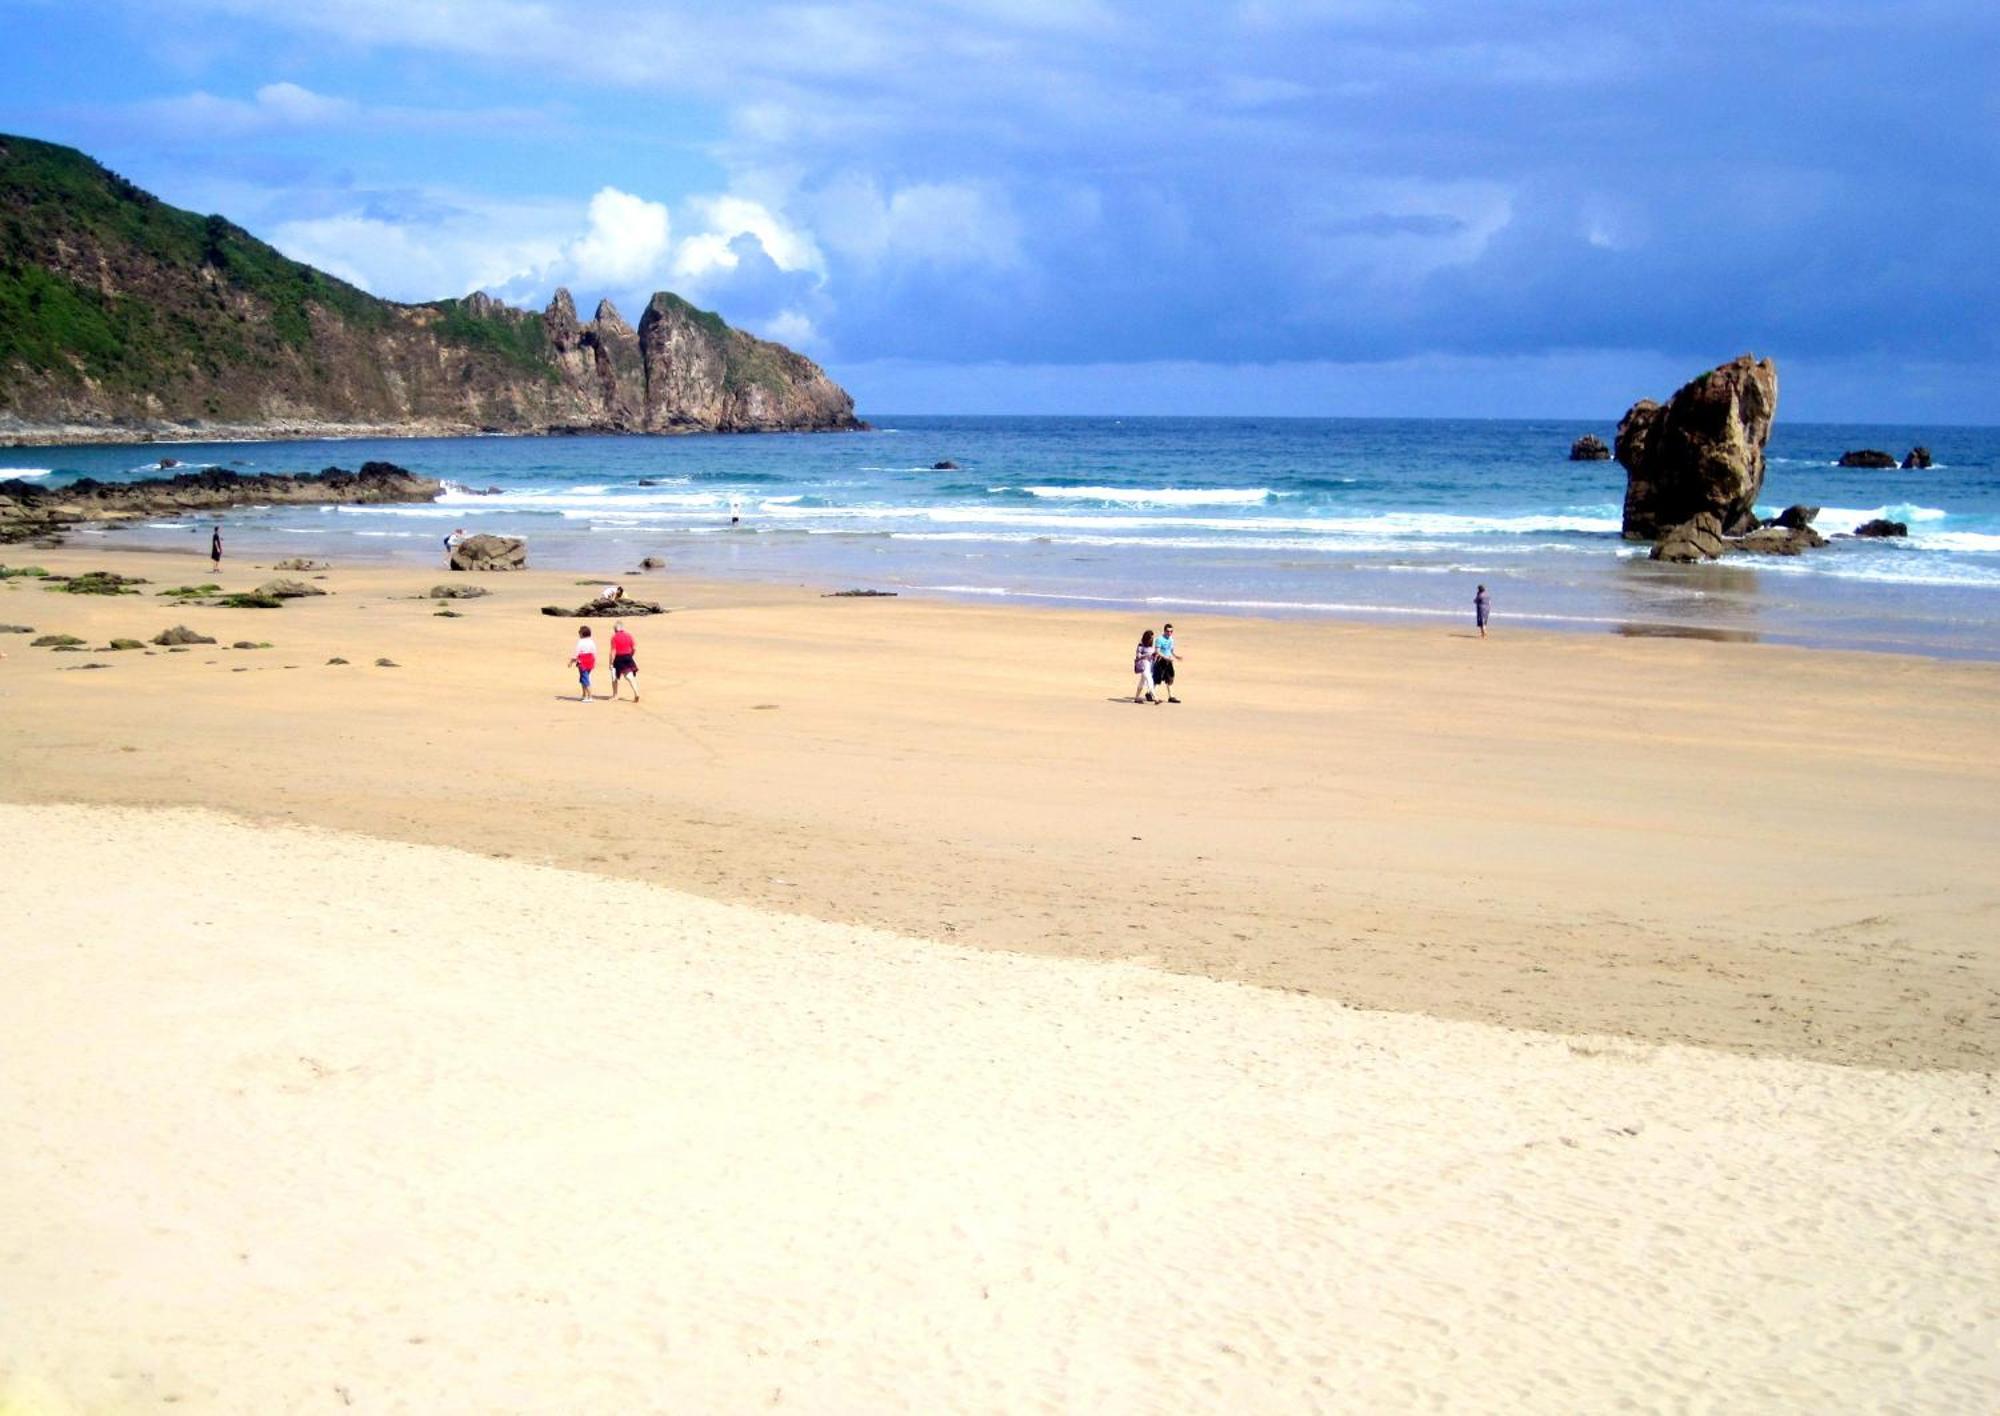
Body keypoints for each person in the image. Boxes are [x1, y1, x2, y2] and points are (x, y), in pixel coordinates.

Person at [609, 620, 640, 702]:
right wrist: (631, 655)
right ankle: (636, 693)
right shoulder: (629, 635)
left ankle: (615, 695)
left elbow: (613, 651)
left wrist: (611, 663)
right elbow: (634, 648)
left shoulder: (614, 637)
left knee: (614, 677)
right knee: (629, 676)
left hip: (618, 658)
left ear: (615, 629)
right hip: (628, 657)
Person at [1153, 622, 1182, 703]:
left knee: (1170, 679)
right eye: (1168, 631)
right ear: (1164, 631)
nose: (1169, 633)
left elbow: (1171, 650)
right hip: (1160, 661)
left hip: (1168, 662)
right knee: (1157, 679)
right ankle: (1150, 693)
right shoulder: (1159, 639)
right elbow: (1157, 651)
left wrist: (1176, 656)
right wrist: (1166, 658)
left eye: (1171, 631)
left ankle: (1171, 696)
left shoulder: (1171, 639)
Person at [568, 624, 597, 701]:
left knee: (585, 679)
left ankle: (590, 696)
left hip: (583, 662)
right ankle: (584, 695)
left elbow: (576, 653)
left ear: (582, 634)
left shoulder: (580, 642)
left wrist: (571, 661)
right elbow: (594, 652)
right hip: (590, 661)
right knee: (583, 678)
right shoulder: (591, 641)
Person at [1132, 629, 1159, 704]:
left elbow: (1152, 655)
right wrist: (1147, 655)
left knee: (1142, 682)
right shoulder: (1141, 645)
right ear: (1147, 638)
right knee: (1150, 680)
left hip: (1149, 665)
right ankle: (1156, 698)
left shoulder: (1151, 645)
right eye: (1151, 638)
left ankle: (1137, 698)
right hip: (1143, 665)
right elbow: (1138, 656)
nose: (1152, 639)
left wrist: (1155, 656)